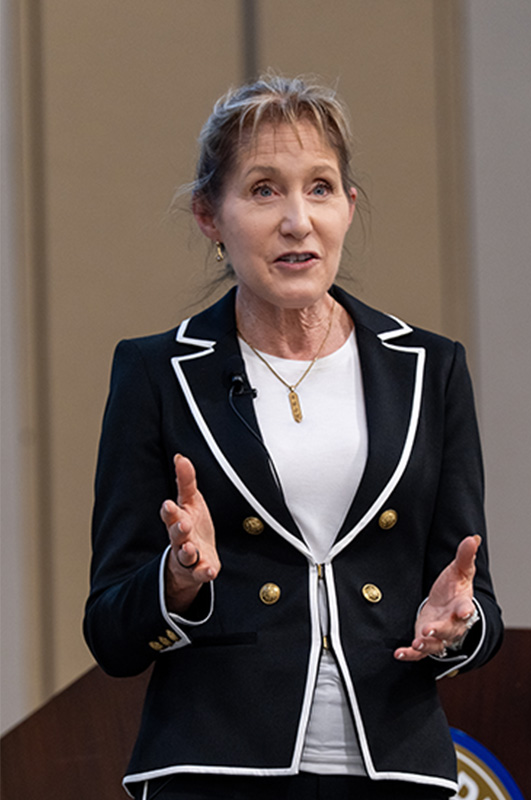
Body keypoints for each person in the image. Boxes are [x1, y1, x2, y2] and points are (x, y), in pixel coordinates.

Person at [84, 75, 502, 800]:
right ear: (209, 216)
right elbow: (110, 629)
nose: (297, 221)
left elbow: (476, 598)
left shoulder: (430, 370)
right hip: (216, 767)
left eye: (320, 188)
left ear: (348, 208)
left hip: (394, 765)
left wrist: (457, 627)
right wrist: (176, 582)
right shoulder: (156, 372)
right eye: (264, 190)